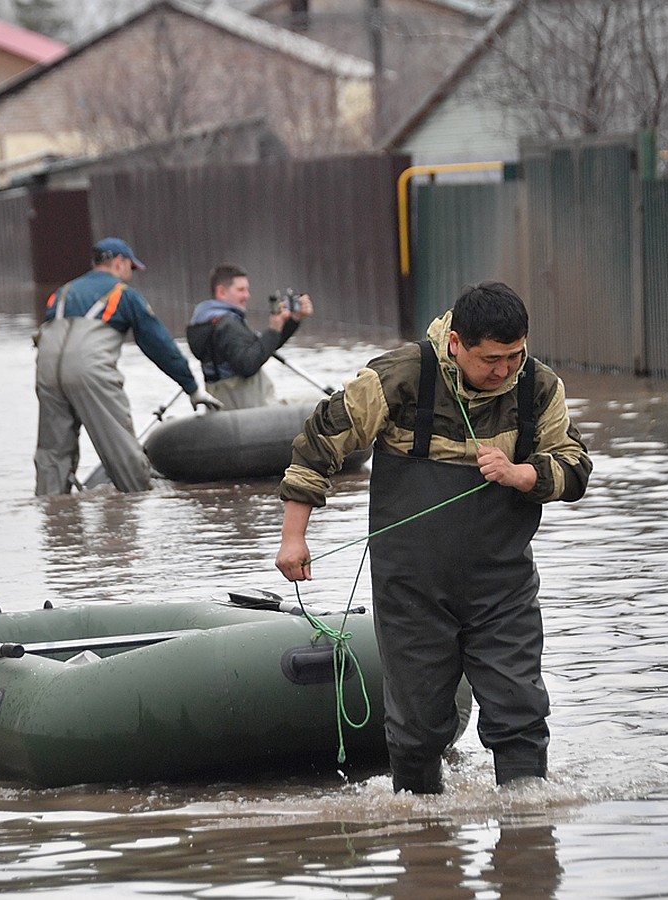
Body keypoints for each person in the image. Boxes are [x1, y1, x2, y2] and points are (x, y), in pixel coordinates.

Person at [274, 281, 592, 794]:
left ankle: (528, 840)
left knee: (520, 713)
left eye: (515, 355)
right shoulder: (400, 376)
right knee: (418, 726)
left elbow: (575, 467)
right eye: (491, 359)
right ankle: (422, 845)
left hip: (502, 585)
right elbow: (318, 445)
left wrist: (523, 475)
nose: (504, 370)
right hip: (411, 588)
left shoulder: (539, 387)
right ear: (456, 344)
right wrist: (294, 538)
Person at [34, 237, 222, 495]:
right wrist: (191, 387)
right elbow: (159, 345)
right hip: (89, 368)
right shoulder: (122, 294)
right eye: (131, 268)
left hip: (46, 370)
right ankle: (135, 503)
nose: (130, 276)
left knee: (52, 455)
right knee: (121, 448)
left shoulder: (61, 293)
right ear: (120, 263)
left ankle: (54, 516)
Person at [186, 264, 314, 409]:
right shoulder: (227, 324)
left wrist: (292, 320)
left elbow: (260, 349)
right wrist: (273, 330)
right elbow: (247, 365)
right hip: (250, 407)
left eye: (247, 289)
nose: (247, 295)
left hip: (225, 404)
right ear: (221, 292)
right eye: (241, 290)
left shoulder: (207, 322)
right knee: (318, 402)